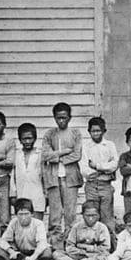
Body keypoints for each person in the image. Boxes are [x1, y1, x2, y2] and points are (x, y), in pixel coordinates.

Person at [39, 101, 84, 243]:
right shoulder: (49, 134)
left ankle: (70, 240)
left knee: (70, 212)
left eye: (64, 117)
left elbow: (77, 155)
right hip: (53, 177)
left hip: (70, 178)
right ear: (54, 118)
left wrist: (56, 157)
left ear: (69, 118)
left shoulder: (75, 133)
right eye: (58, 118)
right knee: (55, 213)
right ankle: (54, 241)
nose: (61, 121)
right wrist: (64, 152)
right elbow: (45, 155)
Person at [38, 197, 113, 260]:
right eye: (88, 215)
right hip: (76, 257)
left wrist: (88, 250)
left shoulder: (102, 228)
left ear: (99, 215)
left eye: (93, 215)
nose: (90, 218)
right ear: (82, 215)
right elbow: (69, 247)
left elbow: (105, 249)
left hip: (94, 258)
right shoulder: (76, 227)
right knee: (57, 254)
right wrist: (83, 253)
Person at [80, 115, 119, 227]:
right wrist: (103, 170)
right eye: (93, 131)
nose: (96, 134)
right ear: (89, 131)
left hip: (105, 185)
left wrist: (97, 166)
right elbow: (84, 168)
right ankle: (94, 242)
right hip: (91, 185)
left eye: (98, 131)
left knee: (107, 216)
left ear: (104, 131)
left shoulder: (109, 145)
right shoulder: (86, 146)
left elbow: (114, 165)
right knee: (92, 214)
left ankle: (108, 243)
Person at [0, 196, 55, 260]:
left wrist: (33, 257)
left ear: (32, 214)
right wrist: (11, 251)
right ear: (16, 215)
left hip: (35, 251)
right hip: (19, 252)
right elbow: (3, 240)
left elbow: (42, 243)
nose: (23, 217)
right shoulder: (14, 222)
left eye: (26, 214)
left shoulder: (39, 223)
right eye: (20, 214)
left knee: (47, 253)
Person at [11, 124, 48, 219]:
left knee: (37, 224)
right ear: (19, 139)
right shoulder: (16, 154)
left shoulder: (40, 154)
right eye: (24, 139)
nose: (27, 141)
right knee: (23, 225)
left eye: (30, 138)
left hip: (37, 194)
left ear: (35, 138)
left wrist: (46, 193)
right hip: (21, 194)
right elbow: (12, 175)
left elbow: (45, 175)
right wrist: (13, 194)